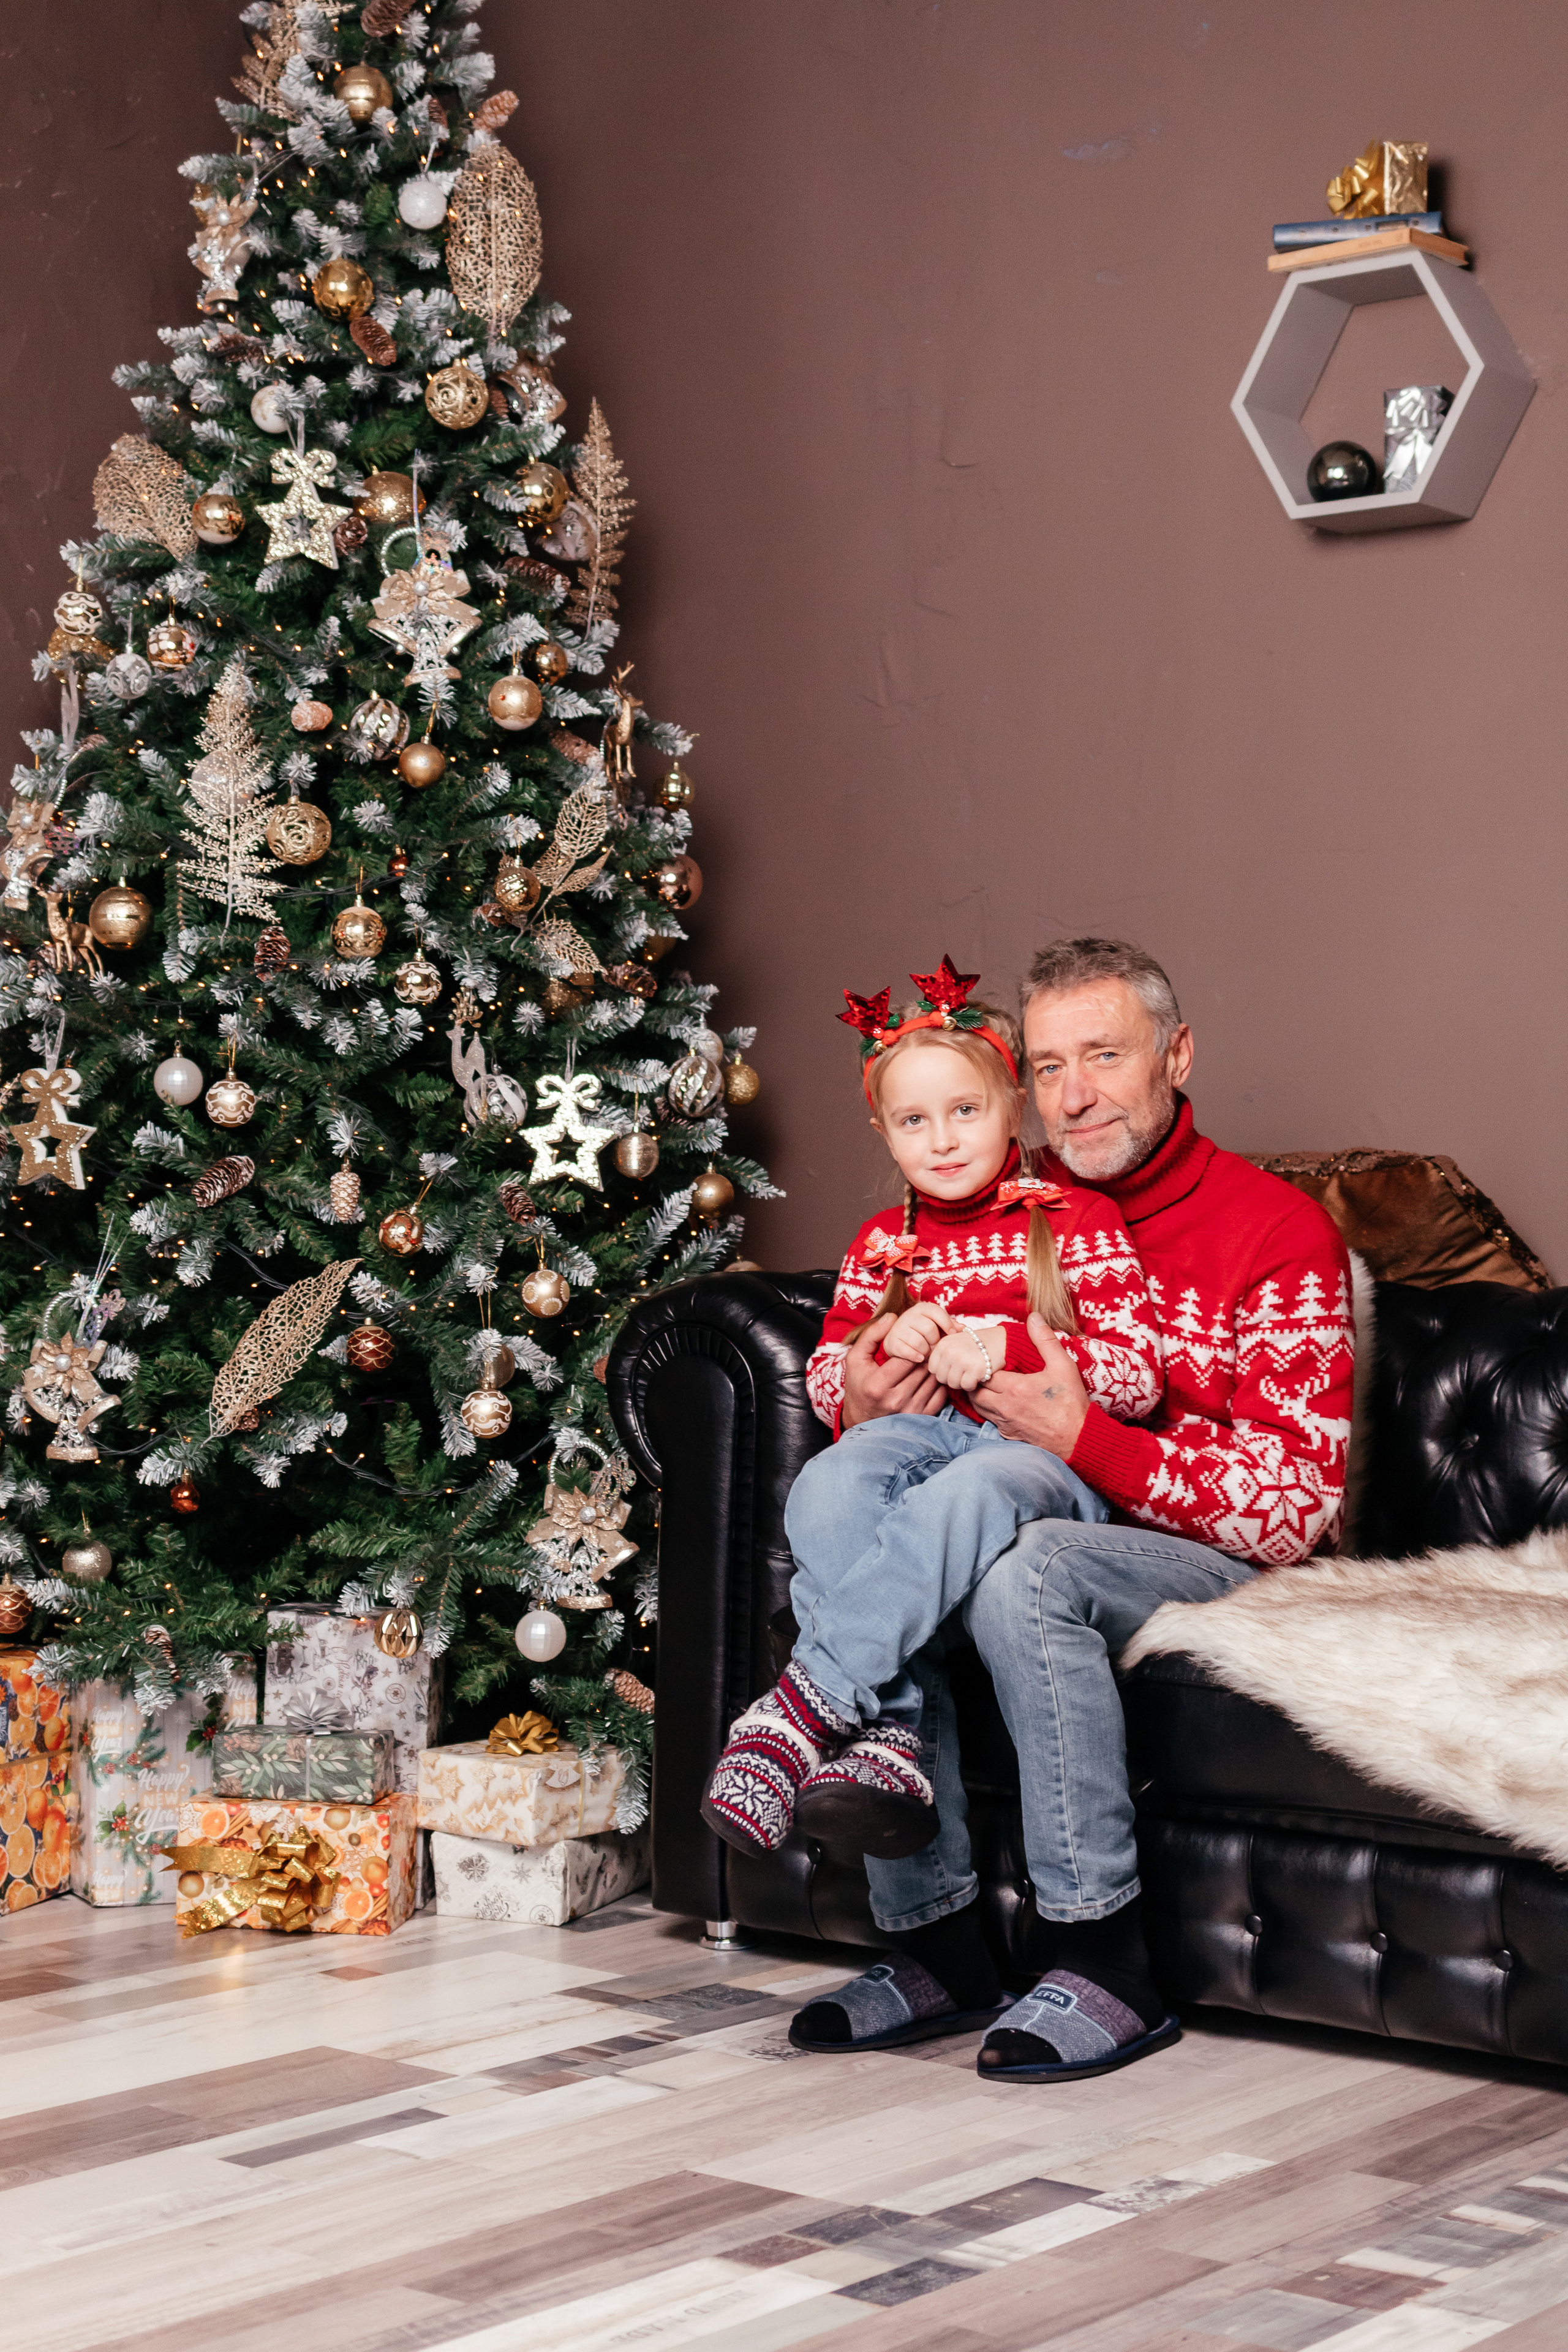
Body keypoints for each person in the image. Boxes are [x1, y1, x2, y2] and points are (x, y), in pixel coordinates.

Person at [784, 938, 1355, 2081]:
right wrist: (866, 1395)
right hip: (1014, 1498)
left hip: (1214, 1565)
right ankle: (937, 1939)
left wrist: (1083, 1437)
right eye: (1048, 1066)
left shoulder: (1276, 1231)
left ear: (1177, 1057)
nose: (1074, 1094)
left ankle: (1104, 1957)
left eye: (1106, 1055)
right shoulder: (997, 1198)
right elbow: (875, 1348)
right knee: (889, 1528)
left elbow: (1295, 1513)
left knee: (1030, 1564)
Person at [701, 956, 1163, 1907]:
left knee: (975, 1485)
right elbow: (828, 1380)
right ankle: (891, 1735)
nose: (943, 1141)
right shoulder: (884, 1244)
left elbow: (1137, 1377)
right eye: (914, 1122)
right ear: (883, 1130)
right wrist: (878, 1350)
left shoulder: (1078, 1220)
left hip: (1040, 1468)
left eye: (965, 1112)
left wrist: (1004, 1349)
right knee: (831, 1484)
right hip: (919, 1450)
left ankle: (806, 1708)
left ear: (1014, 1109)